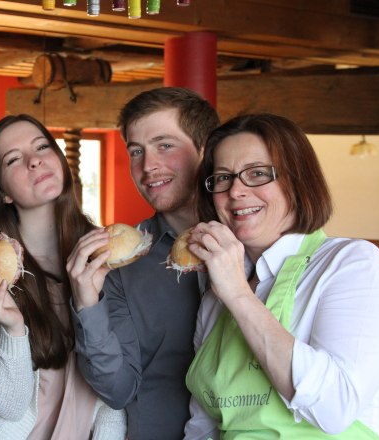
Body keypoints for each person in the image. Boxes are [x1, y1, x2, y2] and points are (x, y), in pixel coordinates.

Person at [182, 113, 379, 439]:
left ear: (299, 180)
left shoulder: (352, 264)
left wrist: (239, 295)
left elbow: (335, 407)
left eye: (257, 173)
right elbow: (203, 422)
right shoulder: (217, 294)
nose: (236, 191)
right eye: (223, 178)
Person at [0, 114, 127, 439]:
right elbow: (8, 405)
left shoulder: (104, 254)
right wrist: (13, 328)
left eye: (42, 147)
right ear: (2, 191)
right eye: (14, 159)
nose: (34, 162)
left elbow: (113, 397)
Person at [65, 87, 220, 439]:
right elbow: (118, 390)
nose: (147, 166)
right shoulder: (122, 262)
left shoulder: (253, 244)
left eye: (165, 145)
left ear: (205, 149)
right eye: (136, 150)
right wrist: (87, 303)